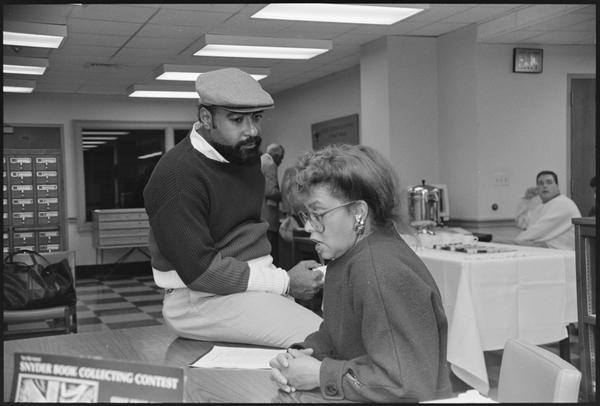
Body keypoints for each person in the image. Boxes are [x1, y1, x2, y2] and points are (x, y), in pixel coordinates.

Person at [143, 68, 323, 348]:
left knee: (333, 337)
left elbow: (246, 237)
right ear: (206, 118)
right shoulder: (176, 176)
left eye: (256, 118)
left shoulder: (244, 156)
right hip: (198, 299)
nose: (251, 131)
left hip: (248, 287)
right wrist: (285, 281)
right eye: (237, 120)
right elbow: (203, 273)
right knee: (321, 341)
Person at [269, 144, 452, 402]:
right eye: (306, 215)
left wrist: (320, 374)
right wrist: (302, 355)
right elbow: (338, 335)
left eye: (318, 214)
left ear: (358, 213)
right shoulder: (348, 258)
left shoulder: (379, 269)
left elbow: (406, 383)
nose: (308, 227)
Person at [514, 170, 581, 250]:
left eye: (549, 182)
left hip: (564, 253)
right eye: (541, 183)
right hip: (545, 251)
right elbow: (521, 222)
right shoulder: (540, 207)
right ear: (537, 188)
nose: (545, 186)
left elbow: (538, 231)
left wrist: (514, 242)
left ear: (557, 186)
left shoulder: (564, 204)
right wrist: (526, 198)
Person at [261, 143, 285, 266]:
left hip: (260, 215)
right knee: (272, 256)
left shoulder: (261, 160)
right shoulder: (270, 163)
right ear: (276, 156)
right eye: (281, 158)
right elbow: (270, 192)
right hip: (268, 217)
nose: (281, 161)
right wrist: (285, 195)